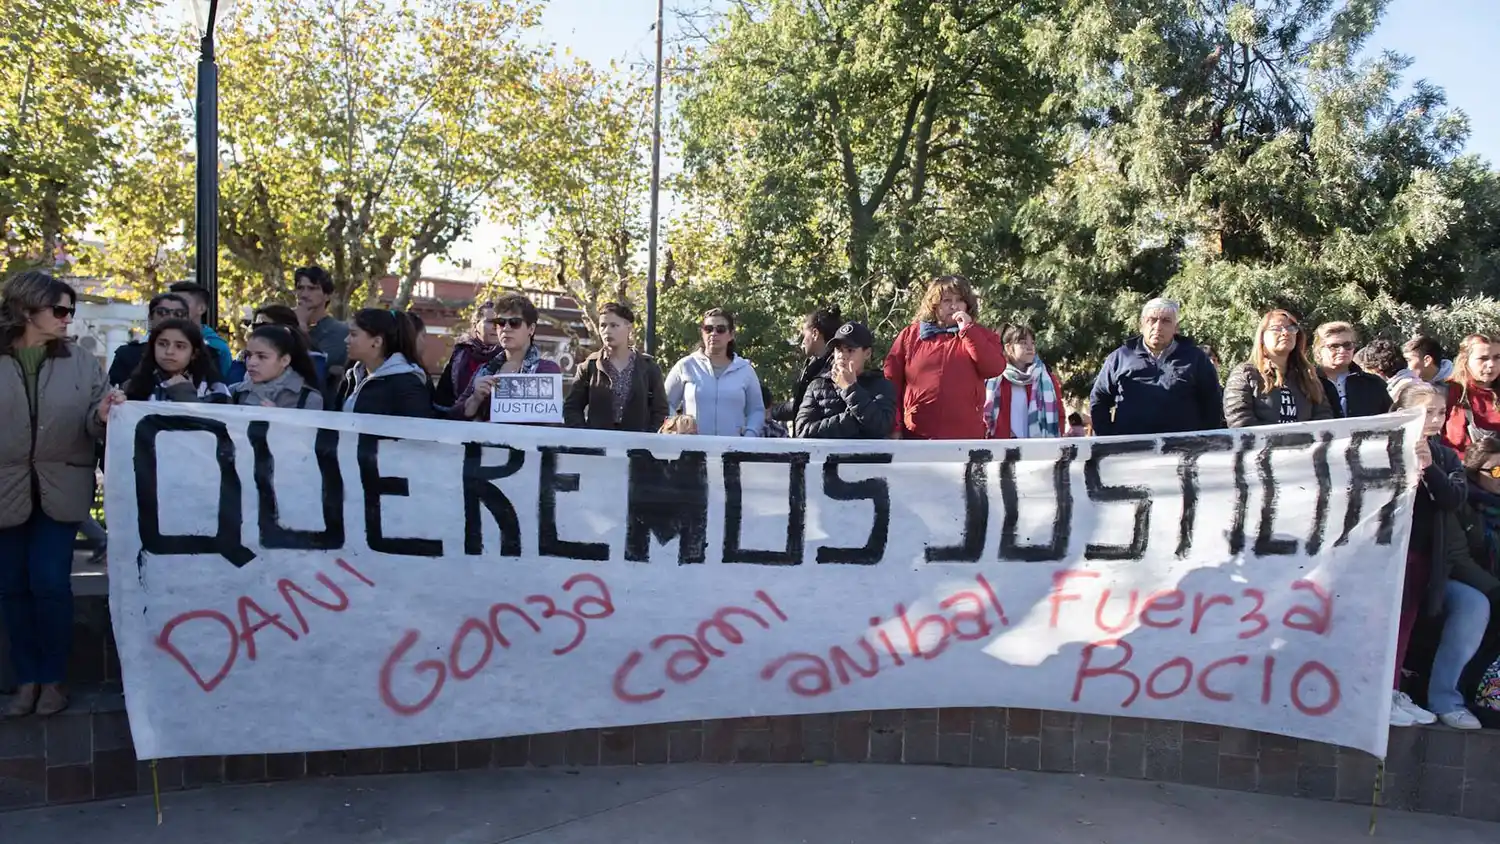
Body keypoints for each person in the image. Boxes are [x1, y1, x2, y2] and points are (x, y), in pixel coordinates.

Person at [0, 271, 123, 717]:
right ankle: (26, 679)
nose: (68, 318)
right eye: (60, 310)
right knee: (11, 587)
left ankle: (52, 680)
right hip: (4, 489)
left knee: (49, 583)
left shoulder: (83, 360)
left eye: (70, 310)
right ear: (27, 308)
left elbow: (94, 417)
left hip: (62, 487)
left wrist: (105, 413)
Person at [1386, 380, 1461, 727]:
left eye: (1441, 412)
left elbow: (1454, 500)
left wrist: (1430, 467)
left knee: (1405, 625)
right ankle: (1378, 692)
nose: (1435, 419)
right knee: (1382, 625)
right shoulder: (1382, 446)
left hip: (1421, 553)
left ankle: (1393, 689)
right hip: (1386, 552)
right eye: (1426, 411)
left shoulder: (1446, 454)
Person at [884, 275, 1004, 440]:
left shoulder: (981, 334)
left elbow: (994, 368)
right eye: (947, 300)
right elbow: (891, 383)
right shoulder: (910, 335)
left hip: (966, 437)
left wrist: (969, 332)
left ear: (967, 305)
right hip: (917, 434)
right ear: (934, 304)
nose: (954, 306)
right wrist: (894, 426)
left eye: (960, 300)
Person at [1089, 298, 1223, 436]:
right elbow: (1099, 399)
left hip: (1182, 449)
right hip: (1130, 450)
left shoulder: (1196, 359)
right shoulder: (1120, 358)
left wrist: (1203, 440)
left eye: (1166, 321)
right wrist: (1108, 437)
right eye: (1152, 320)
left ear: (1176, 328)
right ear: (1141, 325)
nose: (1158, 327)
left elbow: (1212, 402)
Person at [455, 294, 562, 422]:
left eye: (514, 323)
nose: (506, 328)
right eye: (500, 322)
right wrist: (475, 399)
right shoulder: (484, 370)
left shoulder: (546, 370)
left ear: (531, 329)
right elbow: (452, 416)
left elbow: (550, 422)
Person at [564, 302, 668, 432]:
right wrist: (585, 435)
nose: (607, 331)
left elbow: (661, 411)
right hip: (599, 445)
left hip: (637, 446)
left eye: (614, 325)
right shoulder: (590, 366)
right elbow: (572, 407)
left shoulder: (648, 368)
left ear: (628, 328)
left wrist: (649, 437)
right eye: (603, 326)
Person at [664, 308, 766, 437]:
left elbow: (756, 410)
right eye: (708, 329)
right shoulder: (686, 365)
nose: (714, 333)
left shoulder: (745, 370)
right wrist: (678, 426)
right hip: (693, 450)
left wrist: (749, 435)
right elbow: (664, 403)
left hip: (732, 450)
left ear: (731, 334)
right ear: (702, 333)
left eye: (720, 329)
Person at [1223, 309, 1333, 427]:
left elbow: (1323, 418)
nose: (1286, 333)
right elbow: (1239, 420)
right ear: (1262, 337)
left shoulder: (1308, 375)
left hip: (1306, 444)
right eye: (1276, 329)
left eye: (1291, 328)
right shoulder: (1245, 374)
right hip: (1261, 444)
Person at [796, 321, 896, 439]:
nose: (842, 355)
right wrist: (852, 421)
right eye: (838, 349)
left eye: (850, 350)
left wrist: (850, 388)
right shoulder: (818, 385)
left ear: (867, 353)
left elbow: (881, 426)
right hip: (826, 456)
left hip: (867, 457)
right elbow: (802, 431)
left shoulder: (881, 385)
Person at [339, 309, 433, 417]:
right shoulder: (352, 377)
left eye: (353, 334)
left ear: (377, 341)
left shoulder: (406, 385)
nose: (347, 340)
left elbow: (415, 429)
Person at [983, 324, 1064, 439]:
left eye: (1033, 343)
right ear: (1009, 348)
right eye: (1023, 343)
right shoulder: (995, 378)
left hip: (1039, 449)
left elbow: (1059, 413)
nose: (1030, 348)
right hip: (1002, 449)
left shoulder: (1045, 378)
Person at [769, 306, 841, 435]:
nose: (802, 342)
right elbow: (803, 404)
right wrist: (773, 411)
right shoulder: (813, 366)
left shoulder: (836, 368)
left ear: (815, 334)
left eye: (804, 335)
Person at [122, 319, 231, 403]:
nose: (169, 351)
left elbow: (225, 425)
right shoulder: (133, 385)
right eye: (162, 344)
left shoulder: (213, 386)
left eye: (180, 346)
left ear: (194, 353)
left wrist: (183, 393)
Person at [225, 304, 329, 387]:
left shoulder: (314, 359)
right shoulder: (246, 358)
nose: (259, 332)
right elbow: (232, 388)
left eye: (264, 326)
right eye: (255, 326)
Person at [229, 324, 325, 409]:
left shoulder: (308, 398)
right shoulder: (234, 393)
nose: (252, 362)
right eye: (248, 355)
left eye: (262, 356)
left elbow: (308, 429)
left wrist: (279, 419)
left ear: (284, 360)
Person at [108, 292, 192, 386]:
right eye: (162, 312)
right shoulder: (127, 355)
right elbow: (112, 392)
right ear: (150, 318)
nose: (171, 318)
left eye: (179, 314)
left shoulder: (204, 354)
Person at [434, 301, 502, 414]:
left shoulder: (509, 356)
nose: (496, 327)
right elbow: (443, 399)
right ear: (476, 325)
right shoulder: (460, 355)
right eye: (490, 322)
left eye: (500, 322)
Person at [293, 265, 349, 399]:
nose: (304, 294)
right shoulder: (286, 326)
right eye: (300, 288)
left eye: (312, 288)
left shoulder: (340, 331)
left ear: (327, 295)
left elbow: (315, 368)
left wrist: (302, 327)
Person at [1313, 322, 1390, 418]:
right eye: (1334, 346)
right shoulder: (1307, 383)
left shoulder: (1374, 384)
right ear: (1319, 350)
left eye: (1347, 345)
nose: (1342, 350)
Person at [1441, 334, 1500, 452]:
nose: (1491, 364)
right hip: (1460, 467)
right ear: (1465, 360)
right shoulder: (1446, 392)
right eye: (1483, 358)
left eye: (1497, 357)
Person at [167, 281, 232, 377]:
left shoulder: (217, 348)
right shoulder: (155, 339)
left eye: (182, 303)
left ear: (201, 308)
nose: (174, 308)